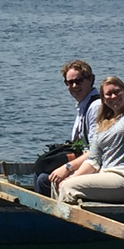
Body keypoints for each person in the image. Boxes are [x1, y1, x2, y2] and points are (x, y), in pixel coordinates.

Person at [54, 45, 124, 204]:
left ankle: (65, 226)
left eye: (117, 91)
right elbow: (93, 162)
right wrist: (72, 175)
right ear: (103, 98)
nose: (113, 96)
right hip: (106, 175)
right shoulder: (102, 124)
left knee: (68, 187)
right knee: (60, 184)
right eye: (108, 94)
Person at [33, 60, 102, 196]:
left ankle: (52, 214)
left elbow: (97, 151)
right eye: (69, 83)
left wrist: (67, 168)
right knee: (41, 168)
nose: (74, 86)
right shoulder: (84, 106)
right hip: (87, 160)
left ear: (90, 80)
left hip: (97, 165)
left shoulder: (95, 107)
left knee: (43, 180)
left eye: (79, 81)